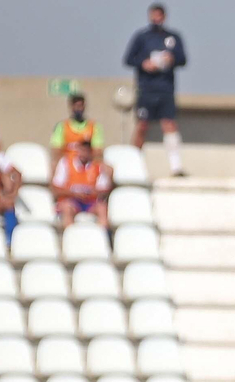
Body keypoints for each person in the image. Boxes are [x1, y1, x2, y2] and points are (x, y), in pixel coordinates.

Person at [123, 3, 187, 176]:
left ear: (164, 17)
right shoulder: (142, 37)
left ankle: (176, 167)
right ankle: (133, 165)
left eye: (159, 15)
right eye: (153, 15)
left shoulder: (173, 37)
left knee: (169, 124)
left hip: (165, 89)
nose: (156, 18)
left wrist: (170, 59)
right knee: (142, 126)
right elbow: (128, 59)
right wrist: (144, 64)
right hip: (146, 89)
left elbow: (183, 60)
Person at [52, 141, 114, 228]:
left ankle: (102, 236)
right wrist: (74, 193)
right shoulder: (66, 163)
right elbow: (57, 188)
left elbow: (104, 189)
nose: (84, 154)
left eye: (86, 151)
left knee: (102, 208)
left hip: (90, 202)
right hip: (72, 200)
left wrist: (91, 192)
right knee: (67, 207)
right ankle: (70, 236)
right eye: (82, 150)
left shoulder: (97, 166)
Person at [49, 94, 104, 167]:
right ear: (71, 107)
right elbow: (56, 150)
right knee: (54, 164)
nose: (78, 109)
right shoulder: (62, 126)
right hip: (67, 164)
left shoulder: (93, 126)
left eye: (80, 106)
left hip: (87, 163)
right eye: (76, 106)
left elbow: (97, 151)